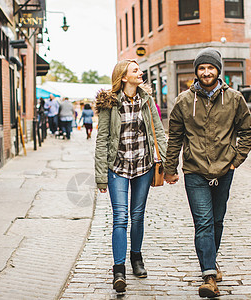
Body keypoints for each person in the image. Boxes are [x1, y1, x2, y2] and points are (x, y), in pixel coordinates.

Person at [164, 48, 251, 298]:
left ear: (218, 70)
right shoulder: (184, 100)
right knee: (203, 222)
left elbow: (248, 131)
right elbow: (175, 137)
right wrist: (169, 169)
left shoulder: (235, 99)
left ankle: (211, 261)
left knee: (217, 221)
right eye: (201, 68)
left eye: (210, 68)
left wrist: (236, 160)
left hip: (225, 169)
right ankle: (209, 276)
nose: (206, 72)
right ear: (196, 71)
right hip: (194, 170)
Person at [95, 59, 167, 293]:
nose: (141, 72)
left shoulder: (147, 100)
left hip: (143, 167)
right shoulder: (110, 103)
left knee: (138, 216)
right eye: (135, 70)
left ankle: (136, 258)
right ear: (123, 77)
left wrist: (167, 164)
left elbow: (159, 132)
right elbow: (102, 140)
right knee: (120, 218)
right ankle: (119, 270)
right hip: (117, 168)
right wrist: (100, 176)